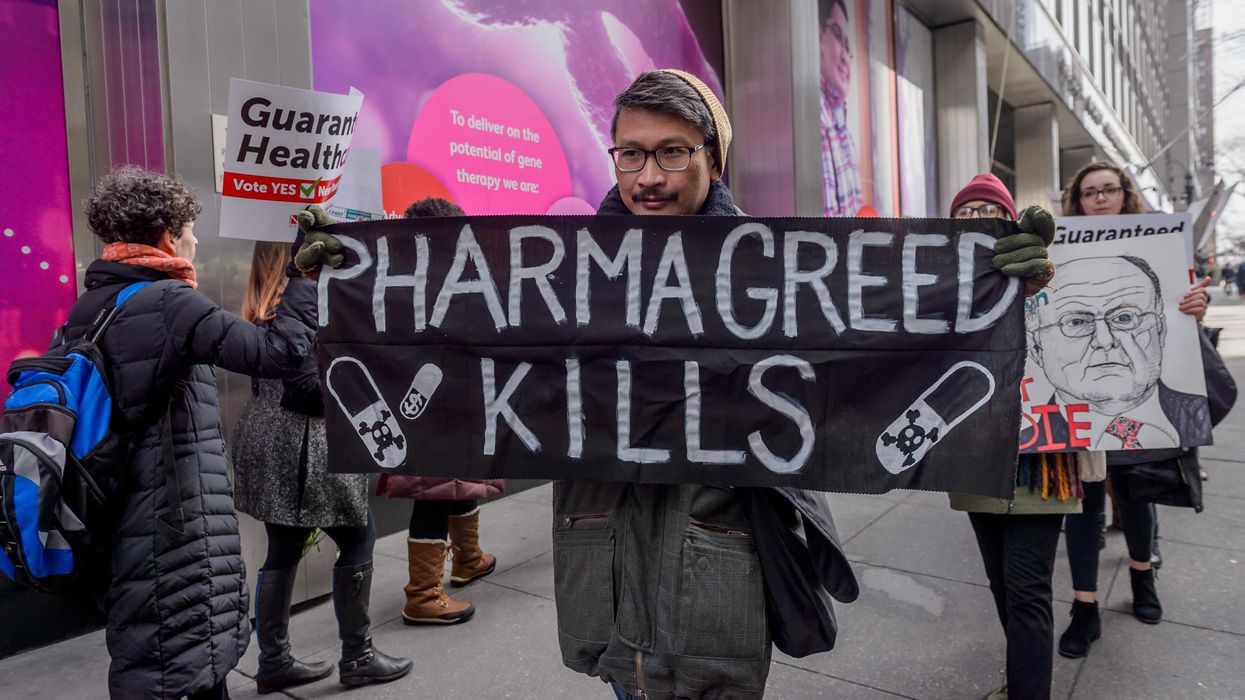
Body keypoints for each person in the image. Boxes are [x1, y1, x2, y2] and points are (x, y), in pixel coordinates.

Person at [553, 71, 1056, 700]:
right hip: (603, 568)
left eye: (672, 152)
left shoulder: (775, 271)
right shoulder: (563, 272)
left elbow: (889, 340)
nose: (648, 176)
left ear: (714, 159)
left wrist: (997, 294)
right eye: (630, 153)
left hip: (711, 568)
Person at [71, 167, 315, 699]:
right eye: (189, 229)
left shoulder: (92, 304)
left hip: (125, 514)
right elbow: (279, 354)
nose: (196, 241)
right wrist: (301, 276)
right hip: (175, 519)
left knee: (158, 653)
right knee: (186, 659)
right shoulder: (168, 302)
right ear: (166, 237)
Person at [231, 242, 412, 692]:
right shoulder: (303, 304)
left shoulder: (261, 310)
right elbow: (307, 390)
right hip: (305, 440)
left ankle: (274, 661)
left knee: (284, 545)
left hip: (265, 433)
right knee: (358, 536)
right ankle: (359, 656)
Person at [1056, 161, 1212, 658]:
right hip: (1079, 410)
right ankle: (1084, 607)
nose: (1100, 198)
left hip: (1141, 408)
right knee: (1084, 504)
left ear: (1125, 193)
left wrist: (1194, 309)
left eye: (1108, 189)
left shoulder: (1160, 246)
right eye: (1089, 192)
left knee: (1138, 493)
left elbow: (1176, 314)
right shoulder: (1056, 250)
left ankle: (1143, 577)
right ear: (1078, 201)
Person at [947, 173, 1078, 700]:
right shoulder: (944, 284)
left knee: (1027, 590)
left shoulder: (1046, 270)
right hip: (978, 456)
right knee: (1004, 583)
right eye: (965, 212)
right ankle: (1022, 677)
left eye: (988, 210)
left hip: (1042, 460)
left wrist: (1039, 283)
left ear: (1010, 219)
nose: (977, 219)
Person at [375, 196, 502, 626]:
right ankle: (423, 594)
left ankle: (468, 558)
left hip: (445, 402)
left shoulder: (406, 277)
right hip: (432, 408)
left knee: (456, 481)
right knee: (433, 494)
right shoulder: (427, 282)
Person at [1027, 256, 1213, 449]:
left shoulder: (1196, 410)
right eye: (1076, 322)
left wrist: (1190, 326)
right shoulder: (1021, 441)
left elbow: (1220, 400)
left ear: (1160, 330)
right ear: (1036, 347)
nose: (1105, 341)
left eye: (1124, 318)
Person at [818, 0, 863, 216]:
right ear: (817, 35)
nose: (845, 57)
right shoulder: (811, 118)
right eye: (837, 35)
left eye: (848, 47)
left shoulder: (843, 129)